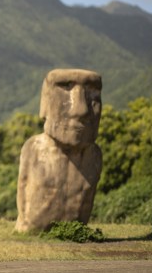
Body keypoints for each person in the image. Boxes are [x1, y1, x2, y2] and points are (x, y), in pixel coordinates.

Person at [15, 69, 103, 233]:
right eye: (65, 89)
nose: (81, 109)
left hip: (74, 234)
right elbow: (23, 192)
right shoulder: (34, 148)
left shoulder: (94, 155)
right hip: (34, 234)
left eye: (92, 93)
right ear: (44, 102)